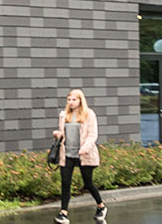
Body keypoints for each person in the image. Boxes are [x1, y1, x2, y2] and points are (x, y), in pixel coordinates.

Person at [51, 88, 107, 223]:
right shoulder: (64, 115)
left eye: (74, 99)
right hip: (67, 154)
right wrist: (58, 134)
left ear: (80, 101)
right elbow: (64, 133)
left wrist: (84, 148)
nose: (71, 102)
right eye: (69, 99)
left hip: (84, 154)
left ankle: (101, 206)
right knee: (65, 183)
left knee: (88, 183)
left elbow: (92, 134)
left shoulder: (89, 114)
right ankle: (63, 213)